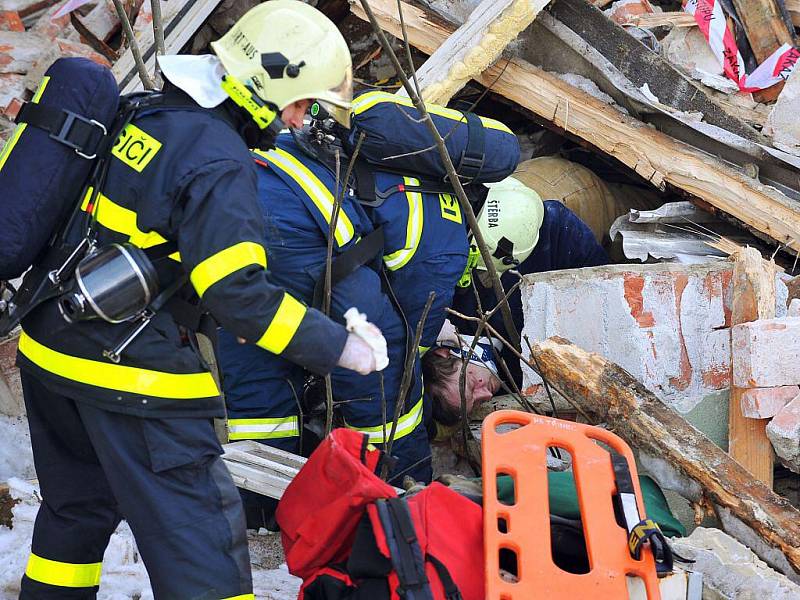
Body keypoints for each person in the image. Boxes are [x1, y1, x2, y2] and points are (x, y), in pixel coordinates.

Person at [12, 2, 383, 598]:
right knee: (201, 542)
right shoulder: (219, 161)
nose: (300, 120)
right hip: (129, 374)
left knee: (73, 517)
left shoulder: (151, 113)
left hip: (53, 349)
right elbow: (241, 296)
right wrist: (343, 348)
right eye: (305, 102)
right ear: (270, 85)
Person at [218, 133, 430, 506]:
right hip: (307, 242)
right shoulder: (443, 236)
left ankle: (261, 510)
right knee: (383, 365)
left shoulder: (314, 146)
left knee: (256, 361)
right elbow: (415, 320)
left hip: (239, 221)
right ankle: (401, 498)